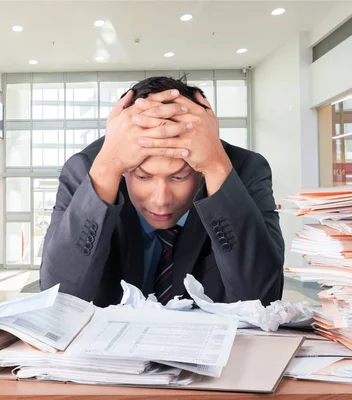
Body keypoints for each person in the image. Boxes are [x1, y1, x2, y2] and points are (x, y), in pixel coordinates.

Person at [40, 76, 284, 307]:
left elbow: (262, 300)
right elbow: (56, 296)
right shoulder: (89, 169)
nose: (161, 200)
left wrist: (215, 167)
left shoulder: (241, 170)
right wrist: (107, 168)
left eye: (179, 176)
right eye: (143, 176)